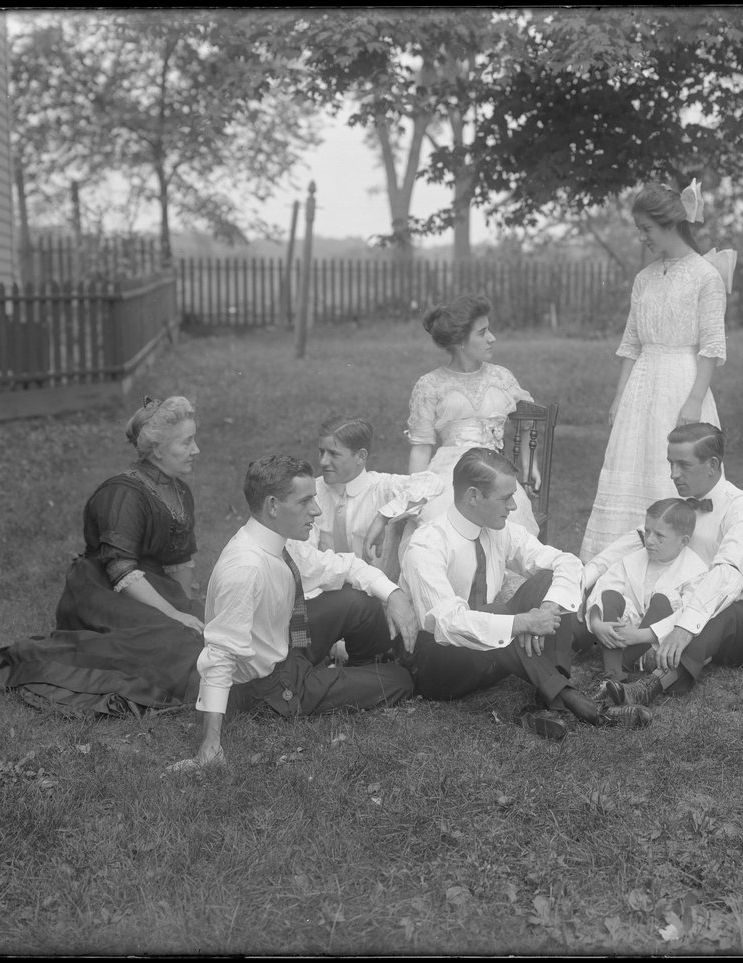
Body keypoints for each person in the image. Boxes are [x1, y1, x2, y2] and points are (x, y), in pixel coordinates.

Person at [0, 396, 207, 716]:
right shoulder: (123, 494)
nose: (197, 450)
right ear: (159, 449)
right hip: (103, 591)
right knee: (171, 643)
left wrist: (186, 606)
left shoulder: (180, 492)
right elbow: (120, 569)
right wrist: (174, 616)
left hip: (152, 587)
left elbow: (179, 562)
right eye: (187, 441)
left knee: (206, 629)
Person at [399, 448, 652, 739]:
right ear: (473, 496)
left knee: (548, 579)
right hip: (438, 667)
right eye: (506, 499)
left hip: (494, 655)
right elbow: (446, 625)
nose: (513, 508)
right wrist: (521, 623)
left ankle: (550, 704)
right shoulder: (427, 545)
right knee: (494, 614)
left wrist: (546, 609)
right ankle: (583, 705)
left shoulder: (498, 530)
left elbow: (565, 562)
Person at [186, 454, 418, 768]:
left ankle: (365, 665)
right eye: (305, 501)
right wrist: (210, 743)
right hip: (269, 688)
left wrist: (394, 594)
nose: (317, 510)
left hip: (287, 647)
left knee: (356, 600)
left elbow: (341, 565)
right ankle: (370, 674)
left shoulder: (280, 542)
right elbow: (219, 656)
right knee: (400, 680)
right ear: (272, 506)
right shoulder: (245, 570)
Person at [580, 180, 731, 562]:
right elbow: (631, 343)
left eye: (647, 229)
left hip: (682, 384)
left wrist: (695, 400)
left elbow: (712, 345)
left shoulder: (705, 276)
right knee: (633, 465)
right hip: (641, 388)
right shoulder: (644, 278)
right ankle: (623, 566)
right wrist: (619, 395)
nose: (642, 237)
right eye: (639, 229)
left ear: (670, 225)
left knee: (676, 470)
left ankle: (681, 562)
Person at [583, 423, 743, 709]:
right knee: (615, 596)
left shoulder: (742, 509)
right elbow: (629, 544)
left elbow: (727, 576)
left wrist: (684, 627)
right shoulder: (680, 507)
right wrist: (583, 580)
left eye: (683, 465)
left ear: (712, 465)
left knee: (716, 610)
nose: (673, 474)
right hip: (685, 609)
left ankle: (649, 686)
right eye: (671, 464)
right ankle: (625, 667)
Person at [401, 294, 541, 541]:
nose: (492, 338)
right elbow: (421, 449)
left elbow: (529, 422)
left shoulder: (501, 377)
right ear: (460, 341)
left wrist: (531, 465)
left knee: (509, 523)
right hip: (448, 474)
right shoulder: (430, 385)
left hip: (494, 472)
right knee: (438, 520)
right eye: (482, 333)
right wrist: (415, 491)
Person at [586, 497, 708, 687]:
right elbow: (605, 586)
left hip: (657, 641)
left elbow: (688, 615)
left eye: (659, 535)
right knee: (610, 594)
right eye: (647, 531)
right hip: (624, 629)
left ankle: (623, 664)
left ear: (683, 541)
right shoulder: (635, 558)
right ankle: (613, 673)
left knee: (663, 598)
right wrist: (596, 623)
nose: (649, 540)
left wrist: (641, 635)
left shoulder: (695, 571)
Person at [306, 415, 442, 570]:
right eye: (321, 452)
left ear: (361, 456)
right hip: (325, 587)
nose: (323, 461)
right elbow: (304, 555)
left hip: (379, 591)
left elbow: (431, 482)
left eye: (333, 454)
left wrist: (383, 516)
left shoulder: (382, 489)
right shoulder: (312, 492)